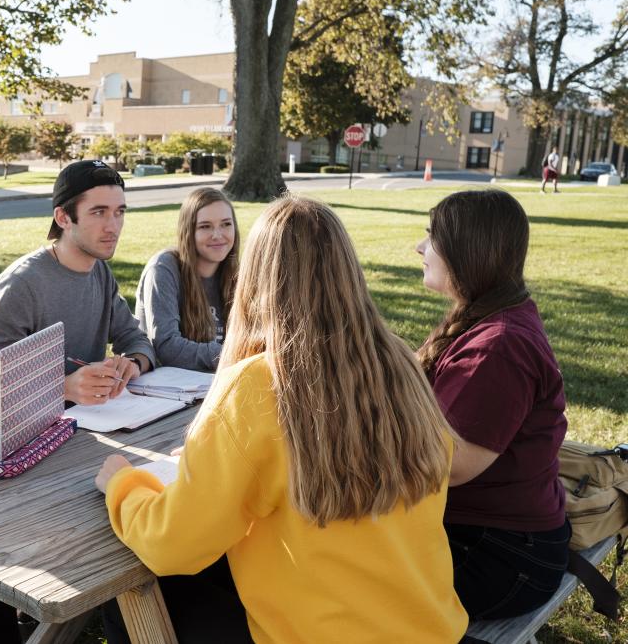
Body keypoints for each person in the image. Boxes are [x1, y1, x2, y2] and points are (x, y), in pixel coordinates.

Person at [96, 195, 468, 644]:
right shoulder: (399, 363)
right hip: (430, 627)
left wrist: (123, 485)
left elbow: (172, 546)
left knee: (127, 605)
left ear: (257, 278)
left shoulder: (258, 385)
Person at [416, 189, 569, 620]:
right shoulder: (484, 314)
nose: (420, 247)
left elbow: (451, 464)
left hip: (502, 556)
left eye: (432, 236)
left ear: (468, 250)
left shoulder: (498, 346)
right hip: (496, 535)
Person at [0, 159, 155, 408]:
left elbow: (135, 338)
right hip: (35, 436)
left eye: (119, 212)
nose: (113, 226)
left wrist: (132, 363)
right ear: (63, 217)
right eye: (99, 212)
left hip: (90, 423)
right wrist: (63, 388)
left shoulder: (99, 270)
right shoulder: (20, 286)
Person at [134, 187, 238, 371]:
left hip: (218, 381)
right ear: (188, 231)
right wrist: (233, 355)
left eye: (226, 224)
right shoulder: (163, 269)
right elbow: (167, 347)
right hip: (166, 389)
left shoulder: (236, 274)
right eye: (205, 226)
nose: (218, 235)